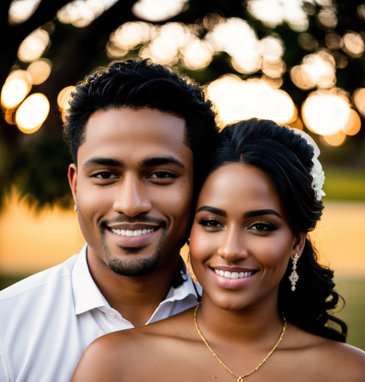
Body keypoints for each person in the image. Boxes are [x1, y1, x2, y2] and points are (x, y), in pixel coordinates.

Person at [72, 118, 365, 381]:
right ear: (189, 231)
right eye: (211, 222)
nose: (231, 249)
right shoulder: (114, 363)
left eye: (261, 226)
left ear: (295, 242)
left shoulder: (352, 373)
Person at [0, 58, 219, 382]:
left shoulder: (241, 328)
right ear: (75, 186)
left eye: (160, 175)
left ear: (198, 186)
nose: (130, 204)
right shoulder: (8, 324)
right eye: (104, 175)